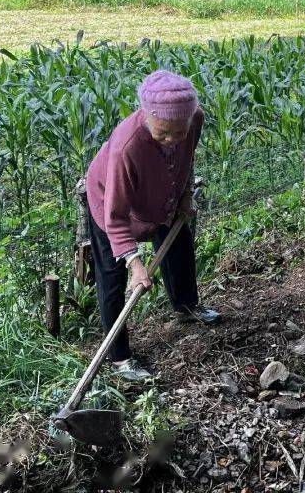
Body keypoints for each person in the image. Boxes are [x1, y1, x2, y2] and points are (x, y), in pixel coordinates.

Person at [85, 70, 220, 382]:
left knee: (179, 248)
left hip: (165, 190)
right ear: (146, 118)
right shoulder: (126, 147)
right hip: (111, 201)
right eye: (163, 134)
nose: (172, 139)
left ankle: (187, 306)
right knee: (112, 278)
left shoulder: (194, 119)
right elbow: (115, 217)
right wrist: (136, 264)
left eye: (178, 132)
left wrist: (185, 194)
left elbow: (187, 157)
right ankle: (119, 358)